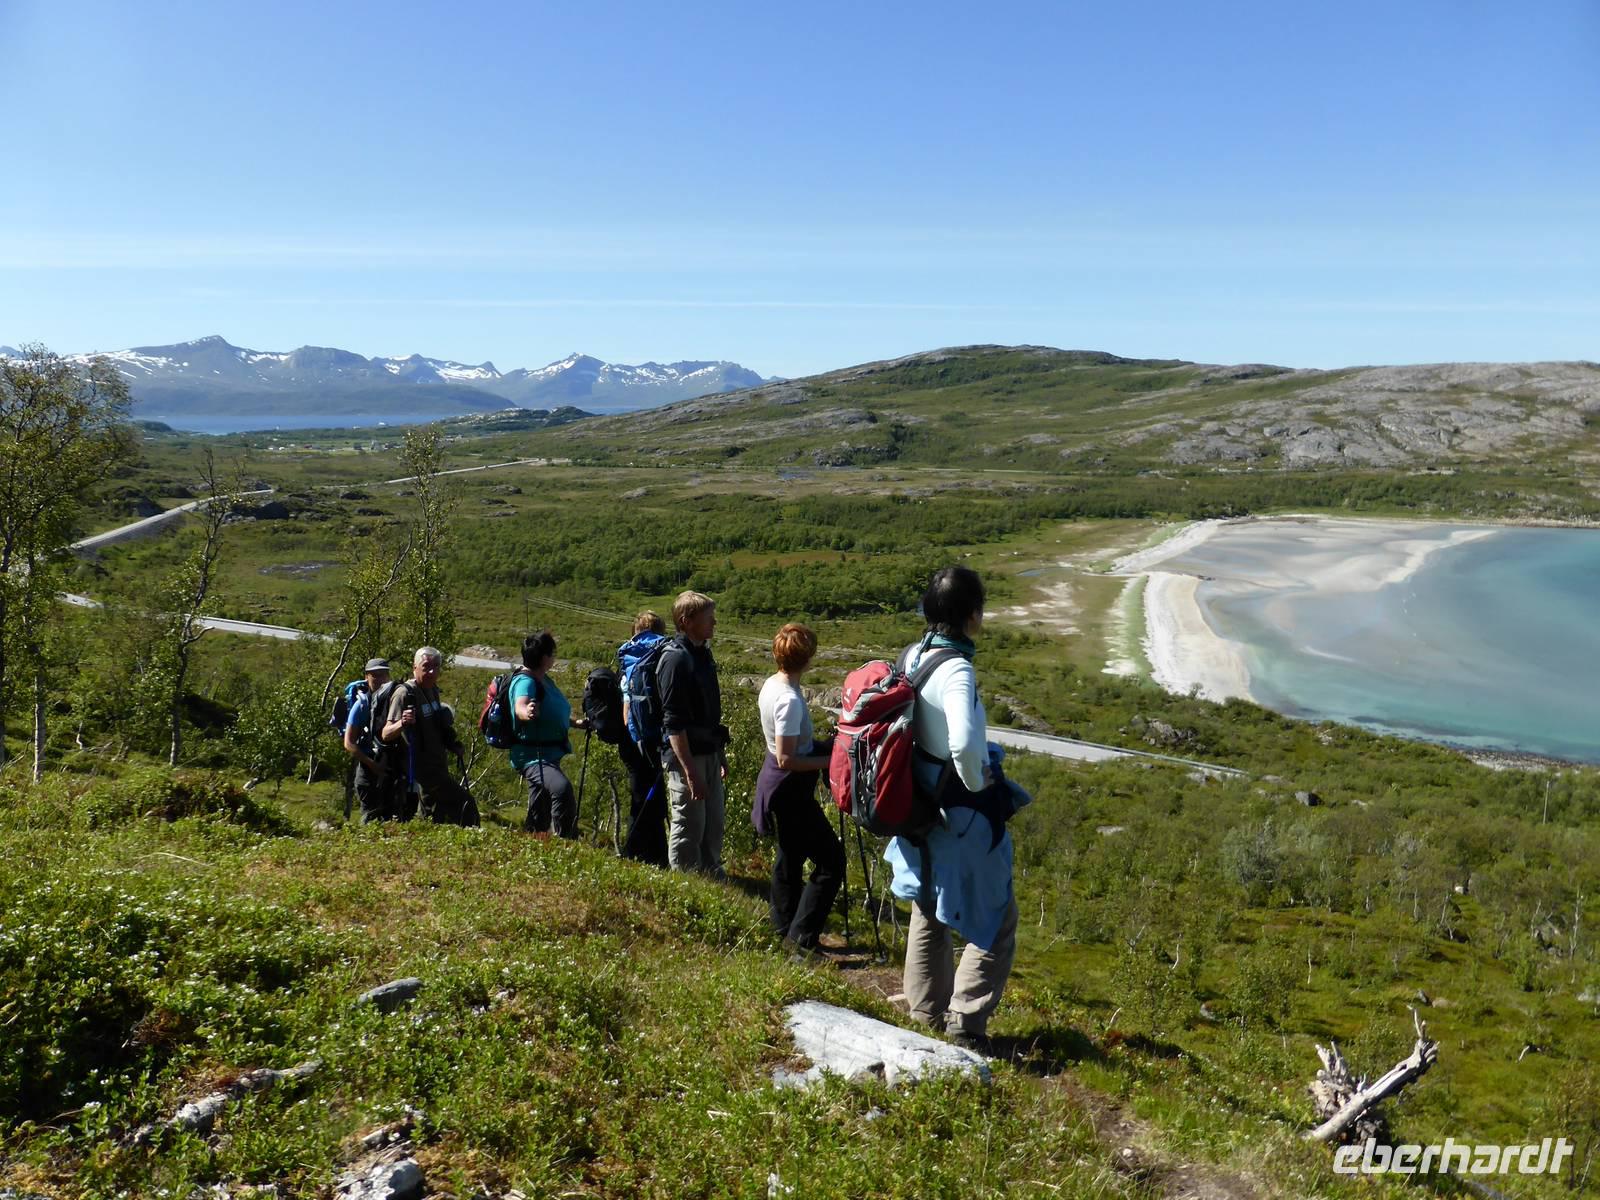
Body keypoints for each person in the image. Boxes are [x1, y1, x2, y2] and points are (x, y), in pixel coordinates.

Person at [883, 566, 1027, 1052]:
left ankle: (925, 1015)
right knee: (997, 918)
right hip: (959, 809)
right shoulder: (958, 669)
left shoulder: (913, 654)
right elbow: (965, 742)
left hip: (918, 803)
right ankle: (965, 1024)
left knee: (930, 905)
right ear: (971, 615)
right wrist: (977, 778)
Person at [752, 623, 843, 956]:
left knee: (789, 858)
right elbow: (788, 758)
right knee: (831, 861)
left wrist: (820, 747)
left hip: (778, 785)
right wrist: (829, 760)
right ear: (807, 659)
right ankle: (801, 937)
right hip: (789, 787)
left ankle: (783, 927)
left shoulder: (772, 685)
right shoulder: (789, 699)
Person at [658, 590, 727, 875]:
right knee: (689, 824)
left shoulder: (702, 655)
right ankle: (686, 882)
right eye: (708, 618)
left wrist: (719, 754)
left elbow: (710, 716)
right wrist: (689, 771)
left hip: (708, 751)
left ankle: (711, 874)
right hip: (687, 757)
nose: (714, 623)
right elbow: (673, 723)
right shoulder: (675, 660)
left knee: (713, 822)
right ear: (686, 621)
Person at [382, 646, 479, 827]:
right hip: (422, 771)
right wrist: (402, 723)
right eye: (426, 667)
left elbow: (437, 725)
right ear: (415, 667)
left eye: (436, 667)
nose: (432, 672)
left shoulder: (433, 690)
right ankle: (477, 847)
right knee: (465, 804)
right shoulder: (404, 694)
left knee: (433, 818)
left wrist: (453, 744)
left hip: (438, 765)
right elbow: (386, 733)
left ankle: (423, 848)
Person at [509, 630, 590, 838]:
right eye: (553, 653)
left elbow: (552, 713)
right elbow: (520, 706)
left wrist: (576, 723)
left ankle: (532, 839)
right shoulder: (525, 682)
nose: (554, 657)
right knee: (561, 789)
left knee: (540, 807)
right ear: (545, 657)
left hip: (547, 755)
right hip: (533, 757)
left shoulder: (543, 679)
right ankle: (566, 843)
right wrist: (526, 712)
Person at [617, 611, 669, 865]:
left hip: (633, 739)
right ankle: (643, 854)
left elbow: (626, 707)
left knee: (641, 797)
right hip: (652, 740)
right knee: (652, 800)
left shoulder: (630, 662)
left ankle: (641, 853)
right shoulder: (656, 659)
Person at [343, 657, 399, 822]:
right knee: (370, 817)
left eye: (383, 675)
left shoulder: (392, 700)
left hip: (388, 766)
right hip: (368, 770)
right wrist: (372, 765)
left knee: (389, 816)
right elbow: (349, 743)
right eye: (375, 675)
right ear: (367, 677)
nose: (380, 679)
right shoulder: (361, 705)